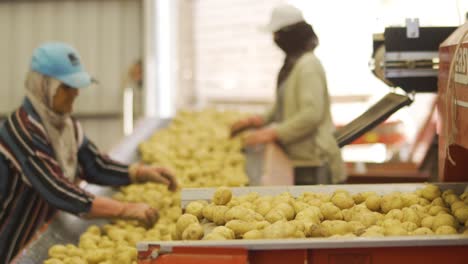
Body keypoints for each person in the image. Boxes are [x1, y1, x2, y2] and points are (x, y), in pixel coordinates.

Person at [0, 42, 178, 262]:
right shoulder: (21, 130)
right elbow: (58, 190)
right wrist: (125, 210)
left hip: (38, 234)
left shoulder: (65, 126)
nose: (76, 93)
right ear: (43, 86)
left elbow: (95, 165)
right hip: (10, 244)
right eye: (67, 87)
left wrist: (141, 173)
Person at [231, 4, 346, 185]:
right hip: (298, 156)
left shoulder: (308, 66)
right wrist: (256, 121)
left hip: (315, 159)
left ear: (291, 35)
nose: (274, 39)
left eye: (277, 34)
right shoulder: (293, 64)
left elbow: (311, 115)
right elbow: (283, 104)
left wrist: (272, 133)